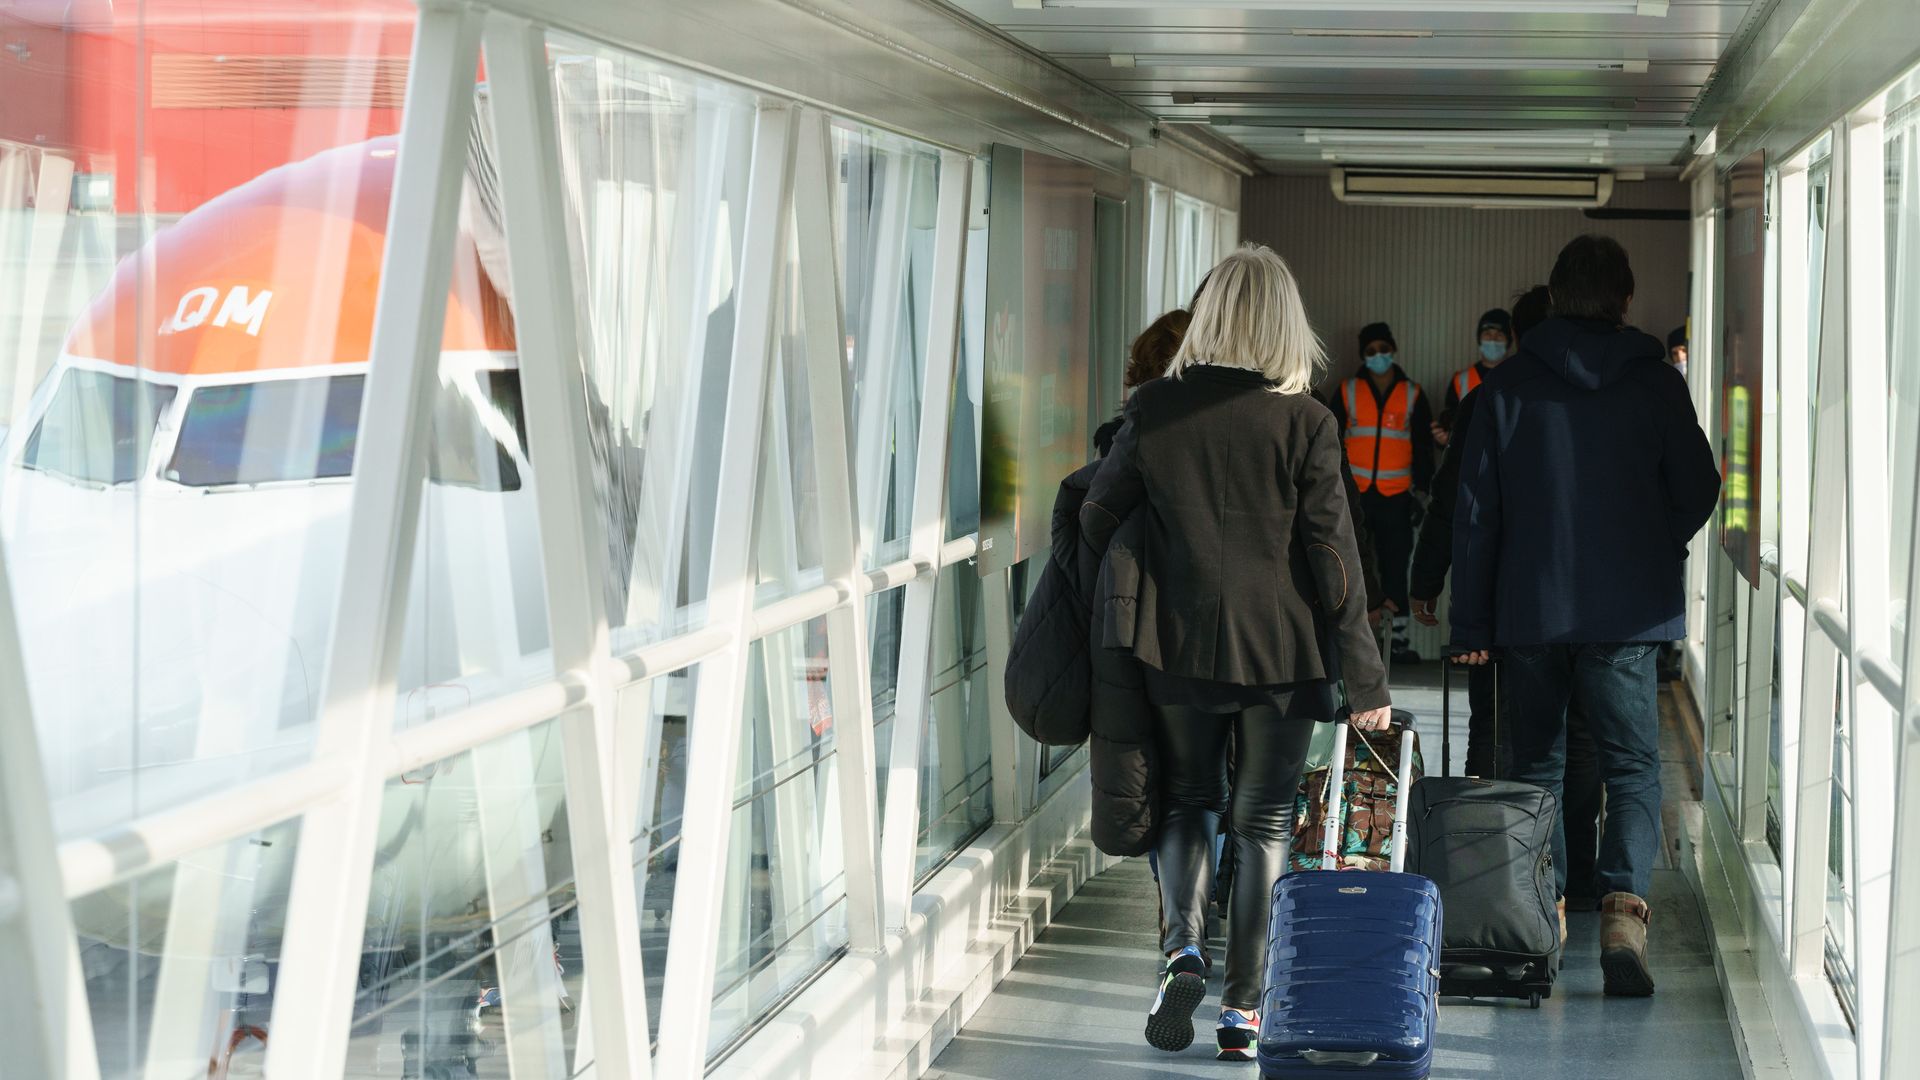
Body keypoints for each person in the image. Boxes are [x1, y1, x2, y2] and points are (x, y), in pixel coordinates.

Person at [1082, 246, 1389, 1060]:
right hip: (1283, 658)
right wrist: (1365, 675)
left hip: (1174, 646)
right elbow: (1333, 558)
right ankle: (1244, 1009)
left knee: (1187, 801)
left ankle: (1184, 947)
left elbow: (1097, 515)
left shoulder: (1154, 410)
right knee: (1264, 822)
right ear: (1285, 323)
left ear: (1210, 313)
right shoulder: (1309, 421)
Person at [1451, 235, 1721, 997]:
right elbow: (1699, 487)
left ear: (1556, 294)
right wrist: (1653, 540)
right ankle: (1623, 920)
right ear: (1625, 300)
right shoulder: (1657, 384)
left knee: (1533, 768)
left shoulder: (1507, 388)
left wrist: (1472, 626)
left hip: (1530, 610)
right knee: (1633, 767)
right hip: (1628, 614)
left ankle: (1542, 923)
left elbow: (1477, 517)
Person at [1328, 321, 1434, 665]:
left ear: (1393, 350)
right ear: (1363, 355)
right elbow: (1329, 443)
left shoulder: (1412, 393)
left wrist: (1421, 492)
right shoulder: (1347, 391)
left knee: (1395, 565)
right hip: (1354, 494)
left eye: (1383, 349)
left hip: (1397, 495)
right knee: (1353, 563)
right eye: (1371, 351)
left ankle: (1398, 641)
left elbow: (1422, 447)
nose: (1378, 356)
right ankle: (1355, 638)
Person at [1433, 307, 1514, 449]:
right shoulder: (1460, 380)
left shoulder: (1519, 378)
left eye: (1499, 335)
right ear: (1479, 339)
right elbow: (1450, 426)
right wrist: (1444, 440)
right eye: (1487, 334)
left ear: (1508, 341)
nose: (1493, 340)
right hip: (1467, 461)